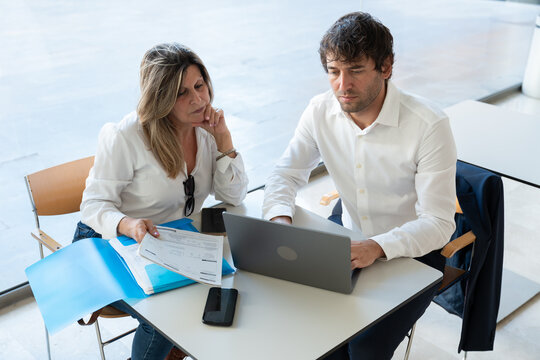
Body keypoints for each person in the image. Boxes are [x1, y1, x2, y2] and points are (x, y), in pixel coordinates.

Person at [262, 12, 457, 360]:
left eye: (355, 70)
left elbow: (439, 223)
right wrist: (280, 223)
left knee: (364, 348)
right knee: (319, 337)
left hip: (415, 255)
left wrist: (378, 247)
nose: (342, 85)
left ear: (386, 67)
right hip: (349, 245)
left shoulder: (429, 125)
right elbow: (284, 174)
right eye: (334, 72)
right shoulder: (319, 111)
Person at [74, 42, 248, 360]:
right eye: (182, 93)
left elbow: (233, 196)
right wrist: (129, 224)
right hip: (112, 241)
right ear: (161, 98)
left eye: (200, 86)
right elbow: (93, 206)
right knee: (164, 320)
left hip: (171, 240)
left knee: (227, 289)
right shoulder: (126, 136)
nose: (198, 99)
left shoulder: (207, 130)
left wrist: (224, 140)